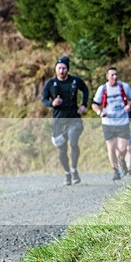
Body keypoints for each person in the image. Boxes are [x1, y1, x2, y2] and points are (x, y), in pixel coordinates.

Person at [41, 56, 89, 186]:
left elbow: (85, 90)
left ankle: (74, 170)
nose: (61, 71)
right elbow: (43, 100)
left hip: (74, 118)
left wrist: (84, 104)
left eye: (64, 68)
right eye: (59, 68)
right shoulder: (50, 83)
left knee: (73, 142)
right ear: (55, 69)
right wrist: (52, 103)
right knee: (62, 149)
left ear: (67, 69)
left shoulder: (75, 81)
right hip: (59, 120)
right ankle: (67, 172)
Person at [91, 67, 131, 181]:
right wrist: (99, 112)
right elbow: (94, 104)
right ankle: (115, 171)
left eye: (116, 75)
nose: (114, 77)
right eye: (112, 75)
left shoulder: (123, 87)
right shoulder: (103, 89)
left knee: (123, 148)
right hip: (108, 122)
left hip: (122, 121)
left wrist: (129, 105)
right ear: (107, 76)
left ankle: (121, 160)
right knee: (111, 147)